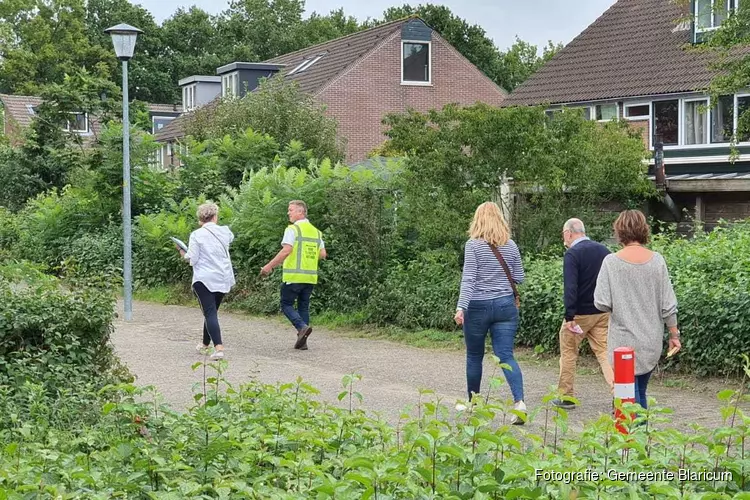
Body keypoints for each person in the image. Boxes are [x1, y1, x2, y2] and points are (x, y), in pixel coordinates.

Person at [594, 210, 681, 410]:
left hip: (622, 343)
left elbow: (601, 302)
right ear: (644, 230)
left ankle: (634, 440)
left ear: (619, 231)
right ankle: (640, 437)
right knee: (640, 391)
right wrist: (674, 334)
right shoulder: (657, 260)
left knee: (627, 398)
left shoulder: (611, 262)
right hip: (651, 341)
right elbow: (668, 304)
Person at [454, 201, 526, 424]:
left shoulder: (473, 245)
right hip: (505, 305)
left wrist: (461, 306)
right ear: (500, 219)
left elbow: (469, 278)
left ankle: (473, 405)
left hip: (477, 307)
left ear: (477, 220)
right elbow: (519, 277)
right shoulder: (511, 245)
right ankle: (520, 403)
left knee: (475, 356)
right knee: (506, 355)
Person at [552, 218, 614, 409]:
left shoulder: (573, 254)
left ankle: (567, 397)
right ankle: (620, 395)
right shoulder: (604, 251)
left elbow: (571, 287)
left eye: (564, 234)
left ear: (569, 233)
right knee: (605, 353)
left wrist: (569, 316)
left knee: (569, 353)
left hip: (579, 315)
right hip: (602, 312)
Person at [261, 200, 327, 350]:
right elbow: (323, 254)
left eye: (291, 210)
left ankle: (301, 327)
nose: (288, 213)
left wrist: (269, 266)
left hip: (294, 276)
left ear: (300, 212)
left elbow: (286, 250)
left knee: (286, 304)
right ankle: (302, 341)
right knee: (303, 307)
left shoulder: (292, 229)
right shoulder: (316, 232)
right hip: (310, 277)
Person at [178, 202, 235, 360]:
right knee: (212, 312)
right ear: (215, 216)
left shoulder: (197, 235)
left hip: (203, 279)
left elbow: (192, 258)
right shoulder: (225, 232)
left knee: (209, 312)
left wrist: (182, 252)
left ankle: (219, 348)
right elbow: (230, 238)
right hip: (222, 278)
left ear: (200, 218)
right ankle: (205, 344)